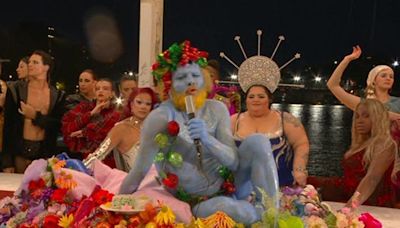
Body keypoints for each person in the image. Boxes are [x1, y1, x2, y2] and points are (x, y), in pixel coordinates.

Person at [119, 41, 279, 225]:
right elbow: (139, 170)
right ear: (168, 84)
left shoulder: (217, 109)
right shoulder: (160, 118)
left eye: (195, 75)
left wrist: (207, 139)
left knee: (258, 142)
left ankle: (272, 218)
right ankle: (257, 214)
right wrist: (116, 203)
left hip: (230, 184)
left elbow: (234, 161)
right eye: (181, 77)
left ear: (204, 79)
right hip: (198, 200)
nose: (190, 81)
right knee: (242, 212)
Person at [309, 99, 400, 208]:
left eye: (366, 116)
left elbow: (372, 178)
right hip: (346, 190)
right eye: (357, 116)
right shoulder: (362, 144)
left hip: (367, 197)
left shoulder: (385, 143)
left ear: (378, 118)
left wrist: (349, 208)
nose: (359, 121)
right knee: (303, 182)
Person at [231, 84, 310, 187]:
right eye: (251, 97)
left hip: (281, 186)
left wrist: (299, 170)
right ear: (246, 100)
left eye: (261, 96)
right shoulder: (233, 120)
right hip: (241, 188)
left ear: (269, 99)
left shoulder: (285, 119)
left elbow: (301, 144)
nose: (255, 100)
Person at [2, 50, 66, 173]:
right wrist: (6, 162)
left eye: (35, 62)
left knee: (41, 191)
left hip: (44, 154)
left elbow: (58, 125)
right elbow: (8, 127)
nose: (30, 65)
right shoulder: (15, 90)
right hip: (19, 153)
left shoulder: (57, 95)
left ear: (46, 67)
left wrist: (35, 116)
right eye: (30, 62)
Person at [84, 87, 157, 172]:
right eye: (139, 102)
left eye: (148, 104)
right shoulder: (121, 128)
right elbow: (98, 155)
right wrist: (73, 171)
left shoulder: (156, 128)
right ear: (131, 104)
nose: (143, 107)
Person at [61, 78, 120, 168]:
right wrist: (91, 113)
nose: (101, 91)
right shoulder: (84, 107)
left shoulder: (117, 112)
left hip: (109, 161)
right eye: (98, 89)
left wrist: (84, 132)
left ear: (112, 93)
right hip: (86, 161)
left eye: (105, 88)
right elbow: (68, 128)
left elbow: (109, 135)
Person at [327, 45, 400, 117]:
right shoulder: (363, 104)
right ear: (373, 80)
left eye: (391, 76)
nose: (388, 78)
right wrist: (347, 59)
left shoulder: (398, 102)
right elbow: (332, 85)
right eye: (383, 76)